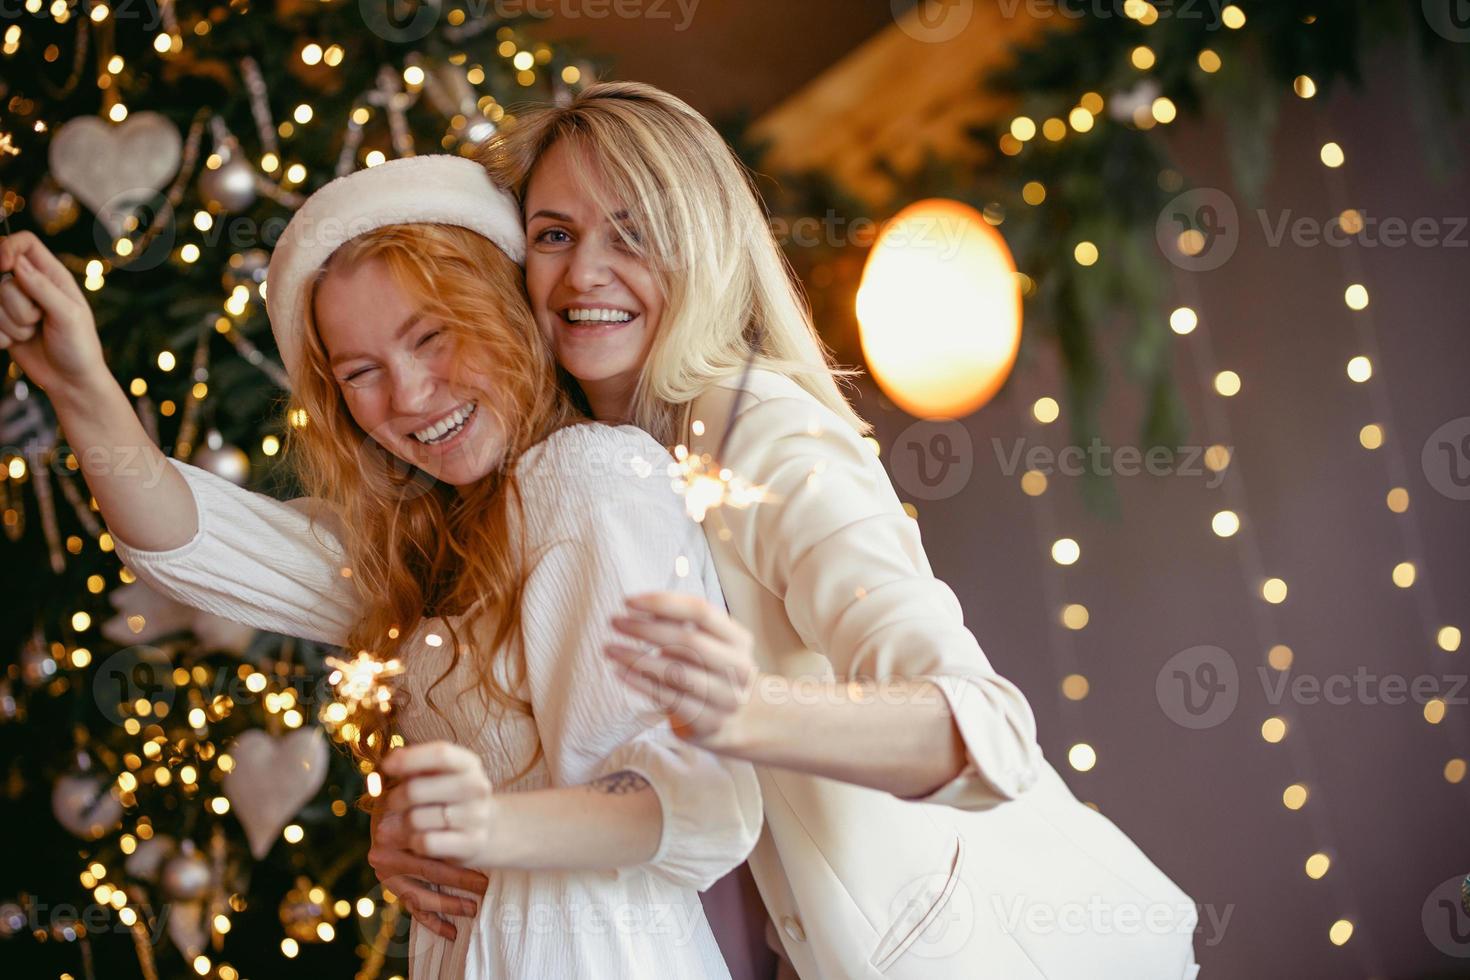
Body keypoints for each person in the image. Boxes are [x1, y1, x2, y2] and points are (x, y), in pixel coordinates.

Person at [467, 80, 1202, 979]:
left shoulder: (762, 432)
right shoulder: (576, 475)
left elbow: (988, 733)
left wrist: (752, 711)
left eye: (635, 231)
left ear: (702, 247)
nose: (584, 272)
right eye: (554, 234)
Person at [0, 155, 762, 979]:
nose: (406, 396)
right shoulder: (422, 544)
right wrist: (78, 384)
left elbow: (701, 804)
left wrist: (477, 827)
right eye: (359, 373)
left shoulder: (589, 476)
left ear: (505, 307)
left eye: (433, 337)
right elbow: (191, 545)